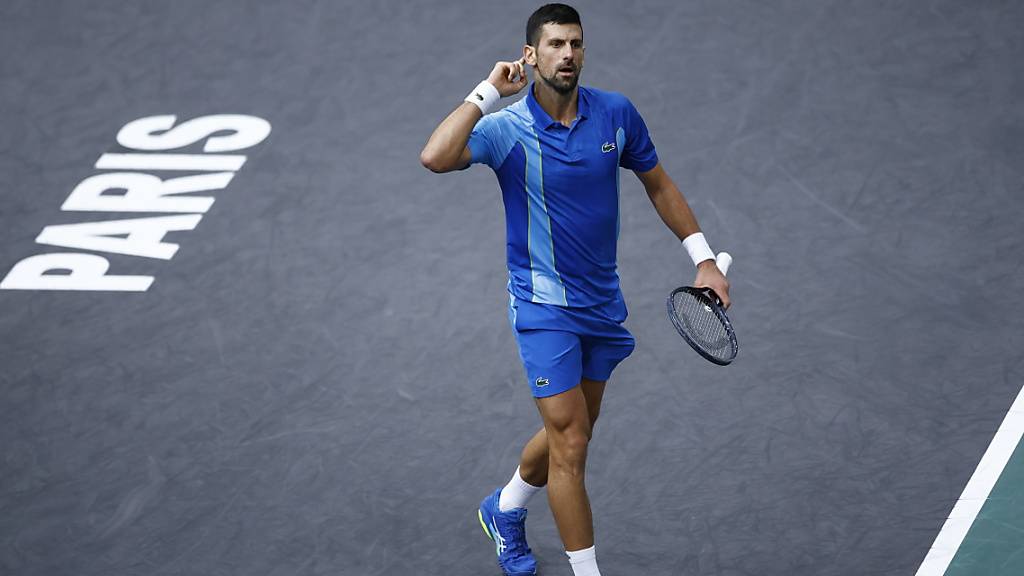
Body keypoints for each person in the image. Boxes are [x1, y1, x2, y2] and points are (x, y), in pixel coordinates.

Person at [420, 4, 731, 575]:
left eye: (576, 44)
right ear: (531, 55)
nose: (568, 54)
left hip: (602, 305)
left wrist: (704, 259)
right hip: (542, 309)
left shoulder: (616, 114)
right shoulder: (506, 130)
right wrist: (487, 92)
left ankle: (505, 506)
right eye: (556, 44)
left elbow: (657, 183)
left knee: (573, 429)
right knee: (571, 445)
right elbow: (435, 156)